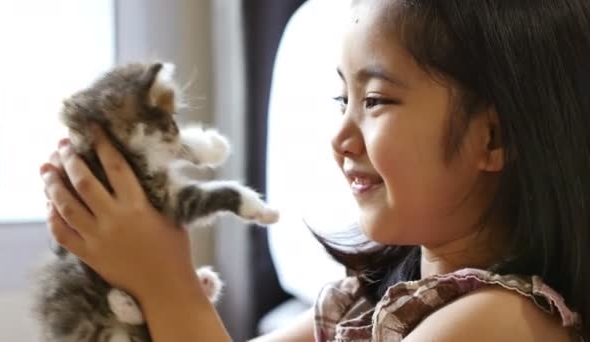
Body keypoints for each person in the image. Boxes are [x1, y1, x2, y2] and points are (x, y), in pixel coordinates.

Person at [39, 0, 590, 340]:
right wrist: (124, 255)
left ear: (491, 137)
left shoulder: (497, 325)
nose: (340, 137)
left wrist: (168, 286)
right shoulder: (364, 302)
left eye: (374, 101)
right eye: (340, 98)